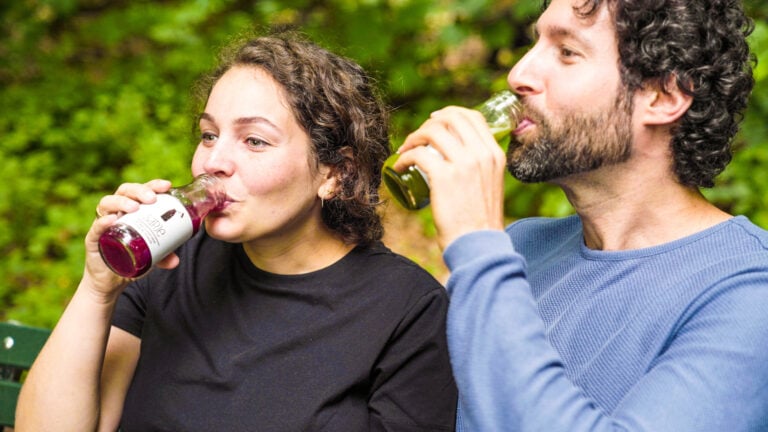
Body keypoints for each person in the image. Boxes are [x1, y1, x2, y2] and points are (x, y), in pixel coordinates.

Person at [16, 32, 458, 431]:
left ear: (335, 175)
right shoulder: (172, 263)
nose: (213, 162)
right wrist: (97, 289)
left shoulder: (406, 309)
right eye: (209, 135)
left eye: (254, 141)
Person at [393, 0, 768, 430]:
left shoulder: (749, 293)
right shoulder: (522, 247)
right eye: (536, 42)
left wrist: (476, 242)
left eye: (567, 52)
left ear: (663, 97)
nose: (519, 74)